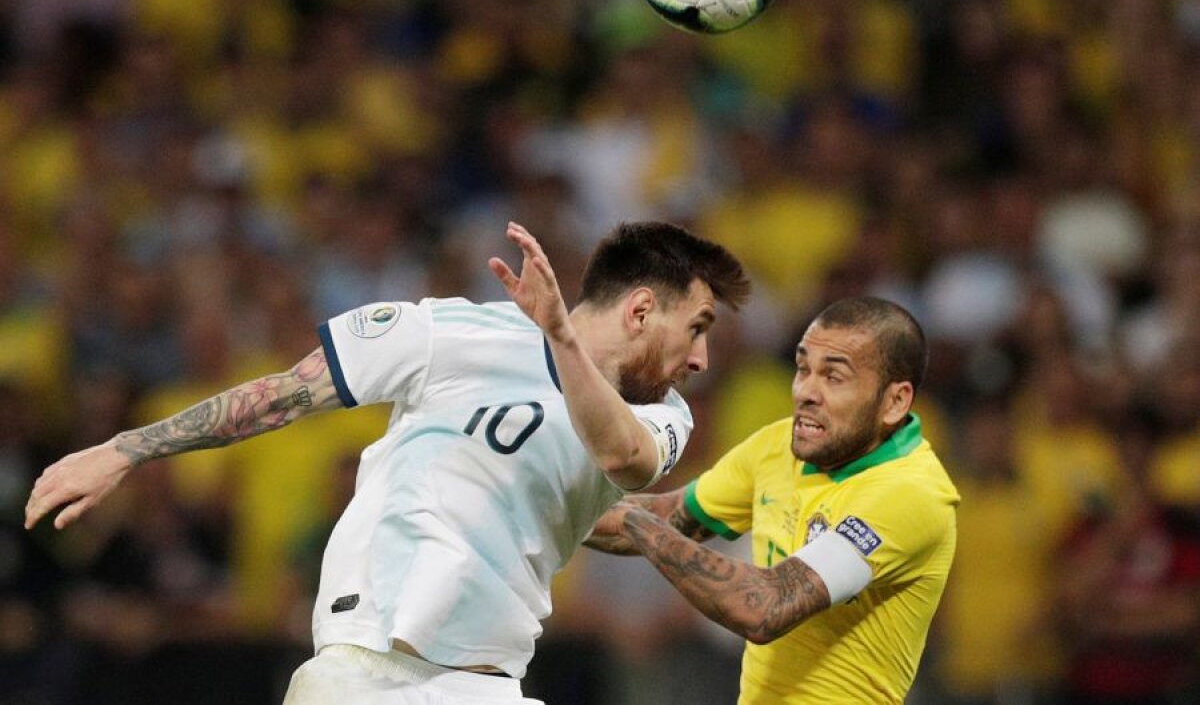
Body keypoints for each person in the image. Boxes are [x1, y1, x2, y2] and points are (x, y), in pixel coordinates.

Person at [25, 220, 750, 705]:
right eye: (698, 327)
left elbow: (620, 461)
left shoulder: (663, 416)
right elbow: (284, 395)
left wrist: (561, 344)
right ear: (641, 309)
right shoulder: (449, 330)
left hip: (489, 681)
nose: (701, 358)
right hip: (370, 667)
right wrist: (125, 448)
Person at [586, 296, 960, 704]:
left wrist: (634, 524)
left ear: (895, 401)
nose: (806, 392)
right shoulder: (779, 446)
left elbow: (765, 606)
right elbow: (669, 516)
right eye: (803, 369)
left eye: (834, 378)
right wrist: (531, 501)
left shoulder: (909, 493)